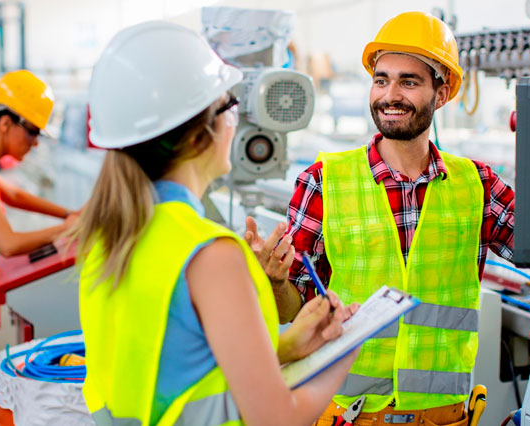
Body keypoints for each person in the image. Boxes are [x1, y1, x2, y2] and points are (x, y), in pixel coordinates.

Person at [76, 21, 359, 426]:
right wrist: (344, 354)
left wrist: (286, 346)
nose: (237, 120)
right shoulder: (212, 255)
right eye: (230, 105)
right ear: (197, 137)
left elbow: (173, 369)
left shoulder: (110, 235)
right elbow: (278, 418)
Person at [245, 11, 516, 426]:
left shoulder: (478, 185)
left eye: (409, 82)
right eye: (381, 79)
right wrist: (277, 281)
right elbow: (292, 312)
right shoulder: (322, 182)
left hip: (442, 418)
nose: (390, 95)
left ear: (441, 94)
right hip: (348, 416)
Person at [0, 70, 78, 425]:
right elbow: (8, 243)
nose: (36, 143)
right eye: (32, 132)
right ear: (6, 123)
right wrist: (69, 229)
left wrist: (70, 213)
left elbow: (12, 194)